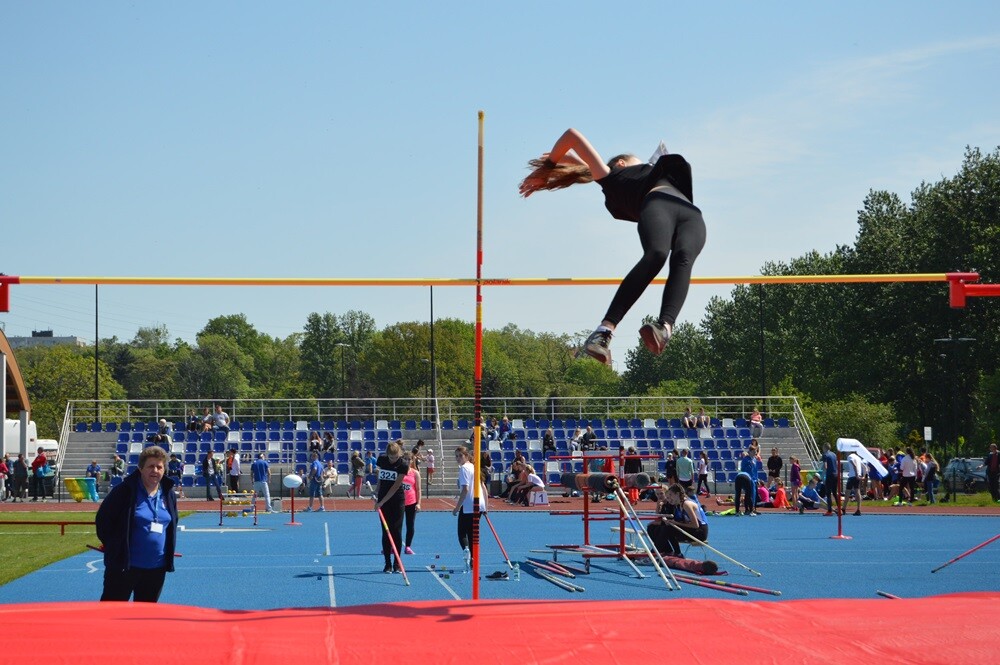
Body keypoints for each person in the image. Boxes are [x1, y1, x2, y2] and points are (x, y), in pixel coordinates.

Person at [520, 128, 705, 365]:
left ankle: (664, 328)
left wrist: (565, 163)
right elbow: (572, 136)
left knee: (683, 259)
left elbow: (582, 166)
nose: (647, 165)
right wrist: (547, 167)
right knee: (657, 254)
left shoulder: (610, 177)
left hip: (692, 215)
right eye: (639, 163)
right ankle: (604, 332)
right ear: (621, 163)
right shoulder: (611, 177)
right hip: (658, 202)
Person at [95, 445, 178, 602]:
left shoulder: (168, 493)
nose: (155, 470)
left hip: (156, 569)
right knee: (112, 616)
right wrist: (115, 547)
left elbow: (171, 524)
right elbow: (103, 522)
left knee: (145, 619)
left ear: (164, 470)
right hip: (124, 567)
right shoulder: (124, 491)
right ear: (140, 468)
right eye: (150, 466)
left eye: (159, 467)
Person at [647, 484, 709, 557]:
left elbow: (695, 525)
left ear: (677, 494)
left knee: (668, 528)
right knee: (660, 527)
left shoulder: (686, 504)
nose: (669, 497)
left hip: (700, 532)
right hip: (693, 529)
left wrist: (675, 523)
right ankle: (669, 551)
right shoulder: (679, 504)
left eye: (671, 495)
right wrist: (672, 522)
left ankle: (653, 554)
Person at [375, 441, 408, 573]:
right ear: (387, 454)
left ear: (399, 454)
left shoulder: (403, 465)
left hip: (397, 500)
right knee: (385, 531)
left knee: (396, 531)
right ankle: (387, 563)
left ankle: (397, 563)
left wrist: (381, 502)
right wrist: (376, 492)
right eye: (391, 457)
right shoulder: (382, 460)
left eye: (395, 457)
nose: (393, 460)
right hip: (383, 498)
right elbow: (381, 479)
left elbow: (395, 487)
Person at [452, 446, 481, 557]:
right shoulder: (473, 467)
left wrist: (457, 507)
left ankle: (468, 556)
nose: (458, 458)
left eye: (460, 456)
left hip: (469, 505)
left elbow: (465, 489)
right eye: (456, 456)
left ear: (466, 456)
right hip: (478, 504)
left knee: (462, 533)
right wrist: (485, 507)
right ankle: (473, 559)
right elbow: (482, 487)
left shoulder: (464, 468)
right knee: (471, 534)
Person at [402, 454, 421, 555]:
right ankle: (393, 546)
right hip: (399, 503)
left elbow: (418, 489)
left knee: (410, 525)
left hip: (411, 502)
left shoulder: (415, 473)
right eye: (405, 459)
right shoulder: (398, 472)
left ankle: (408, 546)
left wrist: (418, 503)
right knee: (396, 526)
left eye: (409, 459)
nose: (407, 461)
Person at [821, 443, 842, 516]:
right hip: (835, 474)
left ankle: (829, 510)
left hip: (830, 475)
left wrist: (824, 472)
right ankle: (840, 509)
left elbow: (825, 465)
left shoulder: (825, 455)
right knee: (835, 492)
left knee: (828, 493)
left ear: (824, 448)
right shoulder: (834, 454)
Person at [734, 451, 756, 516]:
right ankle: (751, 511)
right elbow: (748, 495)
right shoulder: (750, 474)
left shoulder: (744, 462)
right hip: (746, 477)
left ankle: (737, 511)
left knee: (738, 495)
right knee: (748, 495)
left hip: (737, 477)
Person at [845, 450, 864, 515]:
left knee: (847, 492)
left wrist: (855, 474)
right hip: (857, 476)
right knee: (857, 492)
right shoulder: (858, 458)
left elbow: (854, 464)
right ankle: (858, 509)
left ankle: (843, 508)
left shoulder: (850, 456)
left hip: (853, 476)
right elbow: (865, 467)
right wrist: (863, 476)